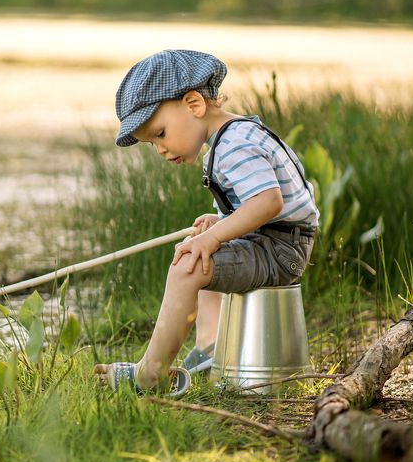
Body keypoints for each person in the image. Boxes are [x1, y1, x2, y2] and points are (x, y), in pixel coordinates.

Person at [94, 49, 319, 395]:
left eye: (160, 133)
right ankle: (210, 347)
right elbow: (258, 203)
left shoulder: (233, 144)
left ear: (194, 104)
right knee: (199, 251)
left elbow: (268, 201)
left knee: (187, 266)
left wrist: (213, 239)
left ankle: (150, 374)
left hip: (280, 248)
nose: (160, 150)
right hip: (276, 240)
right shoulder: (232, 136)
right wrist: (220, 222)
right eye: (152, 143)